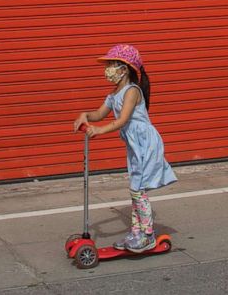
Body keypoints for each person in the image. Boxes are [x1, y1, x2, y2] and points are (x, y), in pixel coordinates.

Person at [73, 44, 177, 253]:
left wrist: (99, 131)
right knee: (135, 190)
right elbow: (100, 113)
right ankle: (136, 233)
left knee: (138, 190)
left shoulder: (132, 91)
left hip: (146, 143)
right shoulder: (114, 94)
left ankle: (147, 236)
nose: (109, 69)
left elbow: (122, 120)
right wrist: (85, 115)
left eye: (113, 64)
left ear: (125, 68)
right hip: (135, 145)